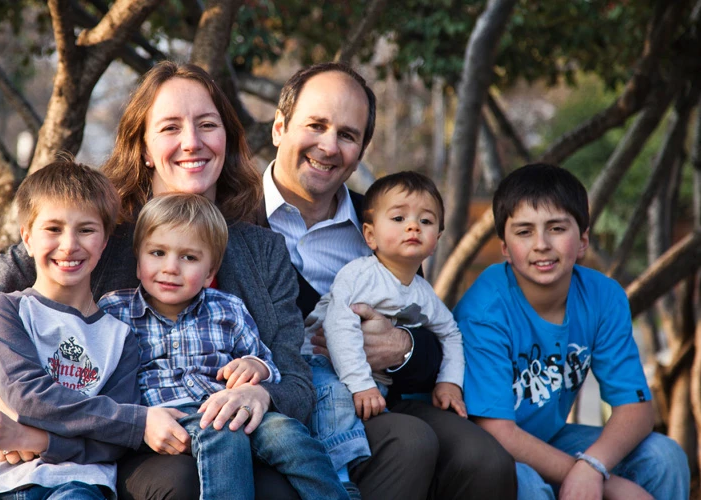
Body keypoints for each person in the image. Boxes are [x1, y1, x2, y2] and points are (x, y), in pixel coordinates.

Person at [0, 62, 313, 499]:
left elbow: (296, 378)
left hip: (239, 436)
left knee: (279, 491)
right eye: (170, 128)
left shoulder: (261, 250)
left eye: (207, 125)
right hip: (130, 443)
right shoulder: (98, 234)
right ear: (144, 148)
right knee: (181, 482)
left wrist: (264, 395)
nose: (192, 142)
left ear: (227, 139)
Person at [258, 61, 517, 499]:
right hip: (280, 400)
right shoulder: (231, 217)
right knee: (408, 442)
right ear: (280, 127)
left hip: (375, 395)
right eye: (316, 125)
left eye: (347, 135)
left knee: (485, 460)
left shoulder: (387, 219)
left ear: (361, 150)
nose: (328, 146)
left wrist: (401, 346)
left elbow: (428, 327)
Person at [453, 163, 690, 499]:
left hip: (549, 438)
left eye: (556, 228)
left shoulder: (603, 296)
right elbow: (498, 431)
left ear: (582, 241)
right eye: (524, 232)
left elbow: (635, 408)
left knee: (663, 457)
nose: (541, 244)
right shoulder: (485, 309)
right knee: (528, 486)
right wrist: (607, 482)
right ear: (505, 248)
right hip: (483, 452)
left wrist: (593, 466)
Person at [99, 193, 348, 499]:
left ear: (210, 274)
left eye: (189, 258)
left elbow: (267, 363)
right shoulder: (115, 311)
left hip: (229, 406)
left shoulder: (227, 309)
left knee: (288, 434)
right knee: (221, 434)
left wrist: (255, 366)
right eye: (158, 253)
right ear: (139, 263)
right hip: (166, 416)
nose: (171, 267)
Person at [0, 161, 140, 500]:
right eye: (53, 228)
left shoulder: (120, 337)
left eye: (86, 230)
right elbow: (28, 396)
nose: (69, 245)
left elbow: (113, 443)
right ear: (27, 238)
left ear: (105, 241)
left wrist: (37, 440)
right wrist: (130, 421)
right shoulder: (4, 311)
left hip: (77, 484)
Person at [302, 172, 467, 487]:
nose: (413, 226)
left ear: (437, 239)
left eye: (426, 221)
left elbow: (450, 333)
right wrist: (361, 384)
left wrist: (449, 382)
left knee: (379, 423)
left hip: (368, 383)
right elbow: (338, 324)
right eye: (399, 218)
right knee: (337, 403)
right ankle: (334, 481)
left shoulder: (424, 294)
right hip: (319, 365)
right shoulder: (359, 275)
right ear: (370, 235)